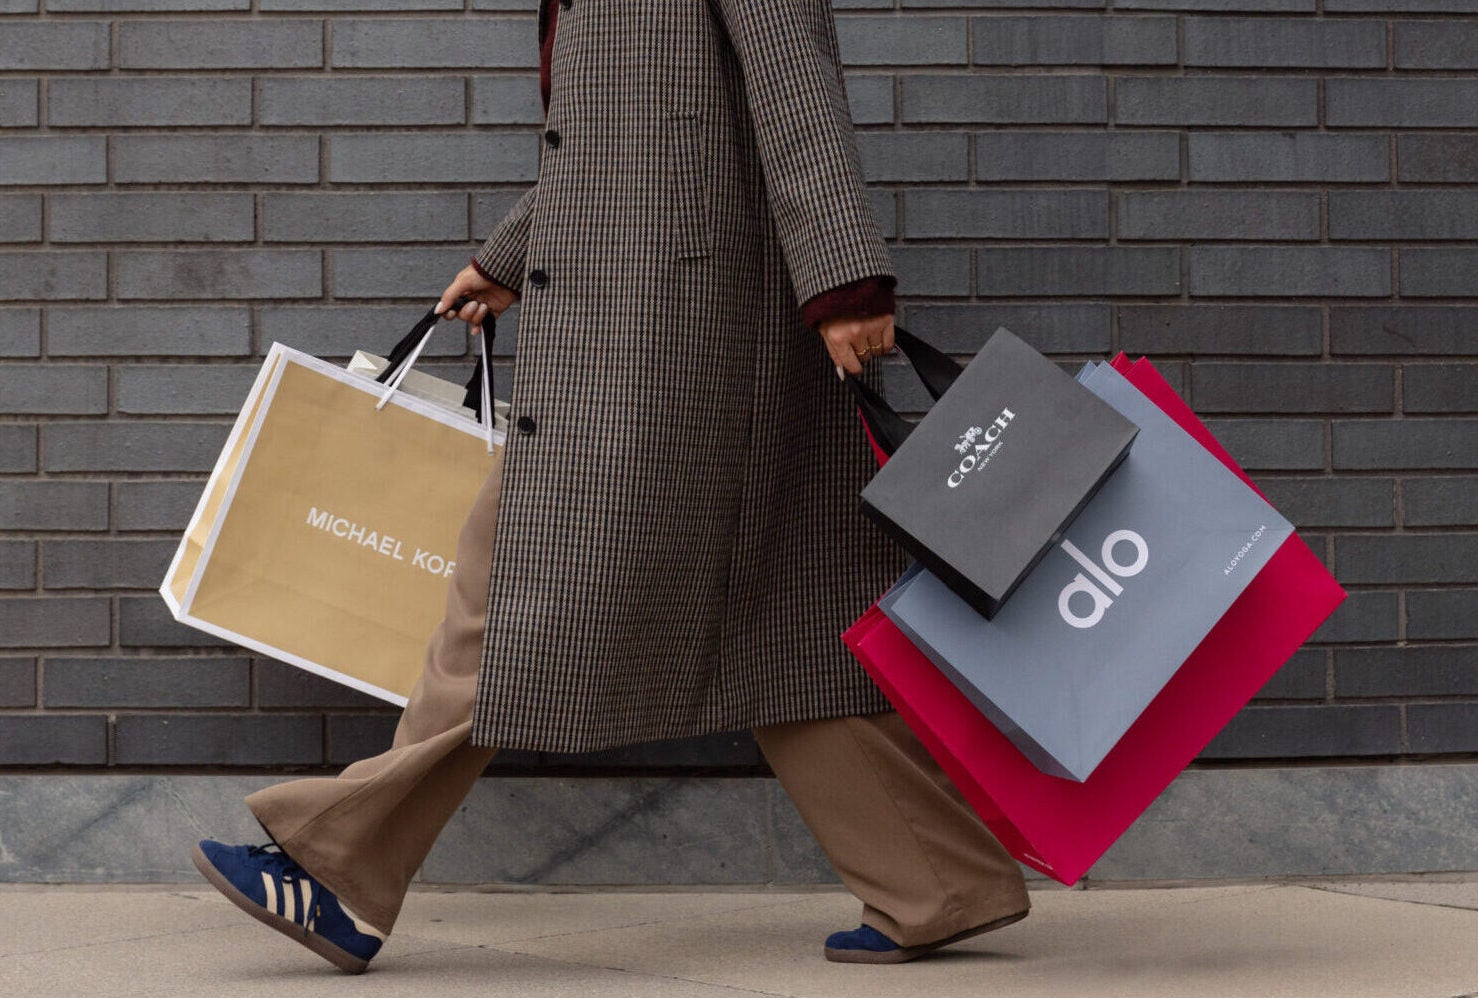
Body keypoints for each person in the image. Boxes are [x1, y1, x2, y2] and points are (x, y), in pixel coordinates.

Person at [191, 0, 1029, 973]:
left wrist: (846, 284)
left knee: (519, 593)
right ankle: (935, 881)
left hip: (678, 334)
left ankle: (337, 868)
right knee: (781, 607)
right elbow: (618, 136)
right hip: (660, 320)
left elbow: (795, 86)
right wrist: (509, 256)